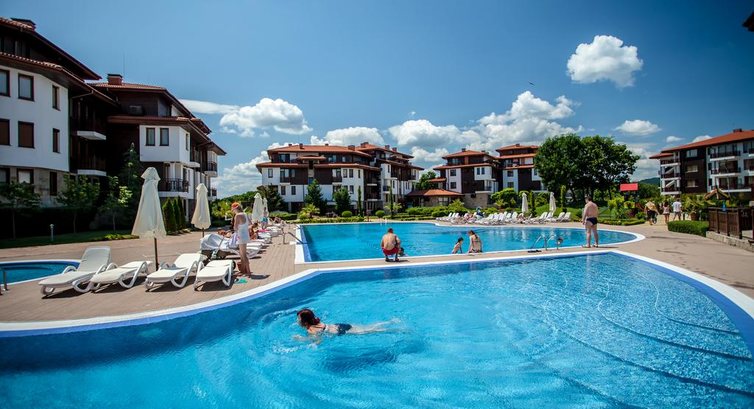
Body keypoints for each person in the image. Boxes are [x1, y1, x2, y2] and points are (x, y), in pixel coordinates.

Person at [296, 308, 394, 336]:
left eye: (299, 319)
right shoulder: (316, 321)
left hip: (339, 331)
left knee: (368, 331)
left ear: (305, 321)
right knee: (366, 327)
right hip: (339, 325)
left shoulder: (311, 329)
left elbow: (317, 341)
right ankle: (389, 322)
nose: (297, 320)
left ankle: (392, 330)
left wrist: (301, 339)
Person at [231, 202, 251, 276]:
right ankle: (243, 271)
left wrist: (237, 229)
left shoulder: (237, 215)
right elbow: (250, 223)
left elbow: (235, 227)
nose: (233, 211)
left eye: (233, 210)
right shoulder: (245, 214)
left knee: (243, 255)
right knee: (242, 254)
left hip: (241, 236)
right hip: (245, 235)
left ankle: (248, 271)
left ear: (235, 209)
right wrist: (244, 227)